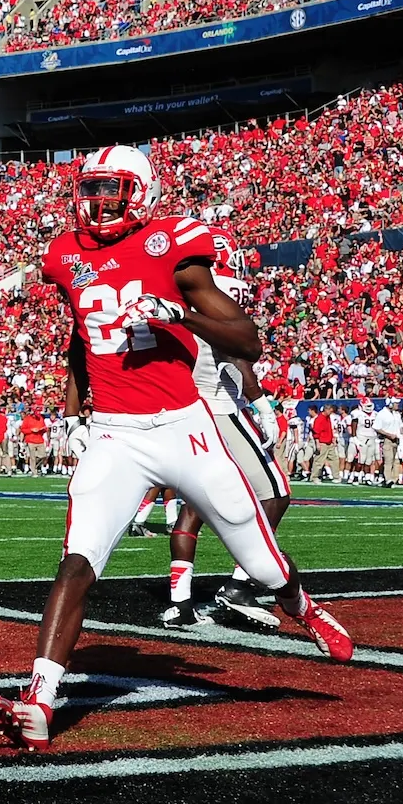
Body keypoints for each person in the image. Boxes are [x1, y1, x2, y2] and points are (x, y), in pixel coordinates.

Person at [0, 145, 351, 753]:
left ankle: (301, 604)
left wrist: (179, 314)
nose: (100, 200)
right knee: (77, 561)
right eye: (92, 188)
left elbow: (248, 339)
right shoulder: (64, 255)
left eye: (114, 188)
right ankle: (41, 700)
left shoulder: (173, 247)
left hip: (184, 425)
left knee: (261, 561)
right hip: (113, 433)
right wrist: (74, 400)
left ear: (144, 191)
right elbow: (82, 333)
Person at [161, 237, 294, 629]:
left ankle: (180, 602)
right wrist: (262, 403)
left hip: (184, 413)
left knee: (193, 510)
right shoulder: (219, 293)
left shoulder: (176, 294)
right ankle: (240, 583)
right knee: (277, 494)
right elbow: (237, 353)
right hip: (220, 408)